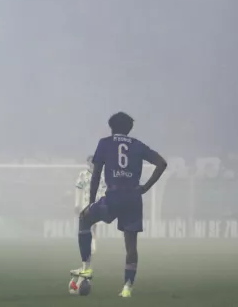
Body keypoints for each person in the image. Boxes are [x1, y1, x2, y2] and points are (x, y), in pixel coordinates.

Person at [70, 112, 168, 298]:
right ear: (129, 128)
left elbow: (97, 173)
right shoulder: (138, 145)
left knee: (84, 218)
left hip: (113, 196)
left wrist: (91, 202)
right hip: (133, 198)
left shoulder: (105, 143)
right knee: (131, 245)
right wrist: (145, 187)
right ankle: (127, 288)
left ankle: (86, 268)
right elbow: (162, 163)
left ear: (111, 127)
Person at [74, 155, 106, 253]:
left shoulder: (103, 174)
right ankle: (91, 242)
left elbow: (107, 187)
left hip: (99, 201)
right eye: (90, 161)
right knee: (88, 224)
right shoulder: (83, 174)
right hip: (86, 201)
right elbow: (78, 188)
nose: (92, 163)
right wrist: (77, 203)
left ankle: (94, 241)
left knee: (94, 224)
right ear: (87, 163)